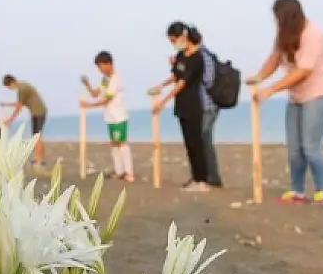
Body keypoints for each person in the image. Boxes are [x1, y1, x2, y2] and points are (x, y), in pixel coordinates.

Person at [247, 0, 323, 206]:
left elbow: (303, 72)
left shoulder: (313, 34)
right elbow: (275, 58)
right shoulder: (284, 35)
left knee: (310, 146)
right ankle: (297, 191)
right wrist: (260, 76)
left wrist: (271, 89)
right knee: (294, 148)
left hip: (318, 93)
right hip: (297, 96)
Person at [150, 25, 222, 188]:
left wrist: (163, 101)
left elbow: (183, 82)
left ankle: (203, 179)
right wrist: (160, 86)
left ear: (183, 36)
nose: (174, 44)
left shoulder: (198, 57)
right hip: (181, 105)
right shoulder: (181, 55)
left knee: (197, 142)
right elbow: (176, 76)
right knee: (189, 144)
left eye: (175, 40)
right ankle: (195, 177)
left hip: (194, 104)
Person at [81, 51, 135, 181]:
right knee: (114, 143)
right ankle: (119, 171)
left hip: (119, 116)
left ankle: (129, 173)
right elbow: (96, 94)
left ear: (108, 64)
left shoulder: (115, 79)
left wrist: (89, 105)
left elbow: (106, 99)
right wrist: (87, 84)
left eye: (100, 66)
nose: (100, 70)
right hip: (110, 116)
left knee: (121, 143)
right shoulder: (105, 80)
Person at [2, 74, 48, 168]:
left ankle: (39, 161)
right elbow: (21, 103)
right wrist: (7, 104)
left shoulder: (21, 89)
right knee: (37, 136)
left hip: (38, 113)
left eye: (8, 87)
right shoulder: (23, 85)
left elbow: (19, 107)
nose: (10, 89)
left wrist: (10, 120)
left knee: (36, 137)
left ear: (11, 83)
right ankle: (39, 160)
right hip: (39, 112)